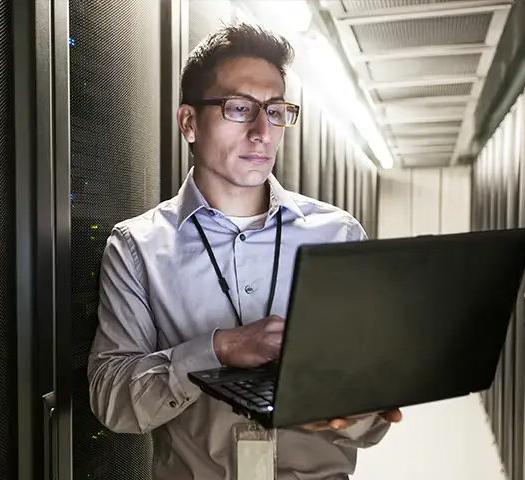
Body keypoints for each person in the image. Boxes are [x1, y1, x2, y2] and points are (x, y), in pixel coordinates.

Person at [88, 23, 402, 480]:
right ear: (189, 122)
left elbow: (373, 420)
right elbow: (112, 400)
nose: (262, 132)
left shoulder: (337, 235)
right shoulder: (138, 247)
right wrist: (217, 349)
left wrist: (354, 409)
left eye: (276, 111)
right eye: (240, 108)